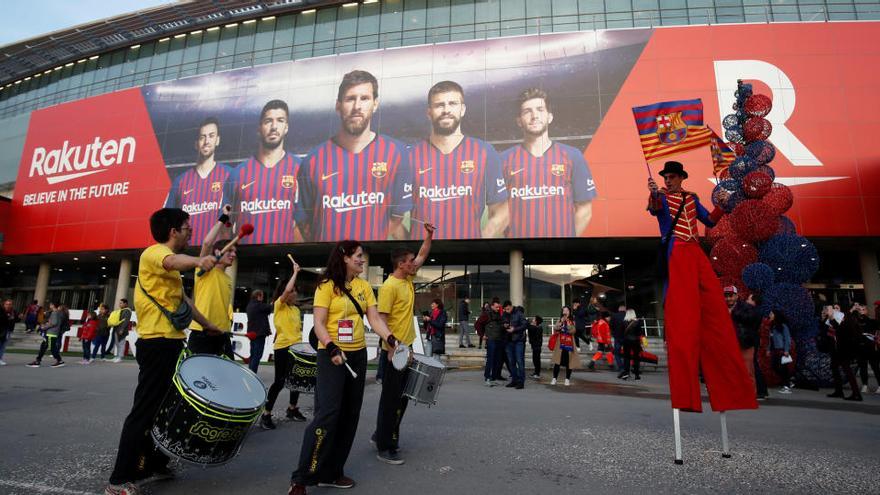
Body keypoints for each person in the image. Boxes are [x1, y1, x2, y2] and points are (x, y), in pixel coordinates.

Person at [105, 208, 221, 495]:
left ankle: (152, 464)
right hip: (156, 343)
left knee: (162, 409)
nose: (190, 231)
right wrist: (199, 259)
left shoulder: (170, 273)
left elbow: (186, 302)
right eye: (186, 227)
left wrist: (209, 326)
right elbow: (173, 261)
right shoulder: (154, 254)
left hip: (170, 342)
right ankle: (119, 480)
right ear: (173, 231)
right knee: (144, 411)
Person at [289, 240, 400, 495]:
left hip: (358, 355)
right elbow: (319, 322)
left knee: (350, 415)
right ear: (345, 258)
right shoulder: (326, 286)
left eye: (362, 256)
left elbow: (373, 318)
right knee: (327, 414)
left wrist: (392, 339)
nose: (362, 260)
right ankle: (301, 478)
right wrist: (330, 347)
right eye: (358, 256)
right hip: (332, 355)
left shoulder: (363, 287)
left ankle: (331, 472)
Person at [647, 161, 757, 413]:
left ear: (682, 178)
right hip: (676, 252)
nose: (668, 180)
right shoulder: (661, 197)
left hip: (695, 250)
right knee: (684, 312)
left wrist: (723, 204)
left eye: (673, 177)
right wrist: (653, 192)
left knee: (714, 304)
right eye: (666, 177)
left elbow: (708, 221)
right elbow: (655, 208)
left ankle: (731, 387)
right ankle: (687, 393)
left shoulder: (690, 198)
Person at [295, 70, 412, 242]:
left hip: (372, 262)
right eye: (350, 98)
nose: (357, 106)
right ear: (338, 105)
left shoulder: (397, 153)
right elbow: (304, 223)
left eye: (364, 98)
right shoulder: (312, 160)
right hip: (329, 262)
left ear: (375, 104)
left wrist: (363, 244)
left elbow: (397, 216)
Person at [408, 80, 508, 239]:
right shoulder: (410, 155)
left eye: (452, 103)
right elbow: (392, 209)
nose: (446, 109)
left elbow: (502, 207)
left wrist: (480, 239)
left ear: (462, 109)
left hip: (468, 256)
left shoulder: (484, 152)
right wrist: (408, 246)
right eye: (439, 105)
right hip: (421, 258)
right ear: (429, 112)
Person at [374, 222, 434, 464]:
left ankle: (382, 434)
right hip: (393, 351)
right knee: (391, 400)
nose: (415, 263)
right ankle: (384, 446)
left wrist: (428, 235)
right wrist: (391, 350)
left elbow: (422, 254)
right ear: (401, 264)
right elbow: (382, 321)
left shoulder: (407, 279)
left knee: (403, 397)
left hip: (406, 349)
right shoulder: (389, 287)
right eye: (410, 261)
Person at [501, 87, 596, 238]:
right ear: (519, 121)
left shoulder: (572, 156)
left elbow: (584, 209)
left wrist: (566, 244)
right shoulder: (503, 160)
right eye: (527, 111)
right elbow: (496, 211)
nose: (534, 116)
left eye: (540, 109)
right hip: (518, 254)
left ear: (550, 117)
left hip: (560, 254)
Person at [234, 100, 302, 245]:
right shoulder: (238, 173)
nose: (274, 127)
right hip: (244, 258)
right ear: (260, 128)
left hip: (287, 256)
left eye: (280, 120)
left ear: (286, 127)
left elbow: (305, 223)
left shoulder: (300, 168)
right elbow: (226, 223)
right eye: (268, 121)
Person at [164, 117, 234, 245]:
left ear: (217, 140)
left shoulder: (230, 174)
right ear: (196, 144)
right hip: (184, 252)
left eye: (211, 136)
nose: (207, 141)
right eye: (202, 137)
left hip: (216, 253)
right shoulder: (180, 181)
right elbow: (168, 220)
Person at [261, 258, 308, 430]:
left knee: (297, 380)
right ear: (285, 294)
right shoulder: (278, 306)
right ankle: (266, 414)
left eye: (295, 291)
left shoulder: (295, 309)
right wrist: (295, 272)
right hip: (283, 348)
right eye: (293, 291)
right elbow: (287, 289)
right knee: (279, 382)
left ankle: (292, 408)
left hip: (296, 348)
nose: (295, 293)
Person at [188, 205, 235, 359]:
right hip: (202, 333)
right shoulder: (205, 269)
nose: (233, 254)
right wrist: (223, 217)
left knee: (227, 376)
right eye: (230, 251)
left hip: (222, 333)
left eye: (235, 252)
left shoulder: (228, 279)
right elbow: (207, 243)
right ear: (217, 252)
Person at [726, 286, 764, 398]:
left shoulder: (744, 307)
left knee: (747, 370)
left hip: (745, 343)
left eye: (731, 295)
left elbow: (755, 318)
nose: (728, 298)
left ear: (736, 296)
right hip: (730, 343)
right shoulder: (722, 307)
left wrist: (733, 313)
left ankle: (750, 396)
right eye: (726, 296)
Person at [823, 304, 861, 401]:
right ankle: (839, 391)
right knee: (834, 368)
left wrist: (831, 317)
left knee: (847, 371)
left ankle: (856, 394)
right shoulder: (836, 319)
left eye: (836, 308)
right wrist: (826, 317)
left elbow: (838, 329)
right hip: (837, 350)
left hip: (844, 349)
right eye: (833, 309)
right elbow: (827, 330)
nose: (834, 310)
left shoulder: (846, 320)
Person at [27, 302, 66, 368]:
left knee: (52, 348)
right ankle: (38, 360)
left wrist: (44, 327)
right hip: (52, 333)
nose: (50, 306)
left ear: (53, 305)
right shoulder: (59, 313)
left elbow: (54, 323)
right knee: (43, 346)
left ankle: (59, 361)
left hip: (51, 333)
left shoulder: (54, 313)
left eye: (51, 304)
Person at [550, 306, 581, 385]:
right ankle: (554, 379)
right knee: (557, 362)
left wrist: (567, 323)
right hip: (560, 343)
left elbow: (573, 331)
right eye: (564, 310)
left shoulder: (572, 321)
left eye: (567, 310)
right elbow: (556, 328)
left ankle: (567, 379)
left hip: (569, 344)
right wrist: (561, 322)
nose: (565, 311)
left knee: (569, 362)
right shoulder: (560, 319)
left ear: (569, 312)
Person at [852, 303, 879, 394]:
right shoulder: (855, 322)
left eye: (863, 310)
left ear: (867, 311)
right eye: (860, 310)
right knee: (862, 368)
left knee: (875, 367)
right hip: (860, 348)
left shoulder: (871, 321)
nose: (862, 312)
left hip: (871, 348)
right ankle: (865, 385)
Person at [246, 290, 273, 373]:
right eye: (262, 296)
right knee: (257, 355)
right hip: (259, 334)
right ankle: (252, 374)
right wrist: (272, 304)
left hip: (252, 333)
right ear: (258, 296)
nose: (263, 297)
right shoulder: (259, 305)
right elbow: (270, 308)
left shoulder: (249, 305)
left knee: (253, 354)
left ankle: (250, 373)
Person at [768, 310, 793, 395]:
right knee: (774, 366)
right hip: (774, 350)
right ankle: (788, 382)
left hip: (781, 350)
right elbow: (770, 339)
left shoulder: (783, 326)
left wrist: (786, 350)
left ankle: (786, 386)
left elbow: (787, 338)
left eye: (771, 314)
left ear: (776, 315)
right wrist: (768, 349)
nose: (769, 315)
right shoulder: (772, 326)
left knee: (783, 368)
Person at [483, 298, 505, 386]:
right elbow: (478, 324)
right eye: (496, 307)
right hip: (491, 339)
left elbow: (499, 326)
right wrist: (482, 335)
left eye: (498, 307)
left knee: (497, 359)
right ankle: (487, 378)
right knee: (490, 359)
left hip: (498, 339)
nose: (497, 308)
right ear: (492, 306)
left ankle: (494, 377)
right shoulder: (486, 314)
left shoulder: (498, 314)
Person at [505, 304, 527, 389]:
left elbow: (525, 325)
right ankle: (514, 380)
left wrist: (514, 329)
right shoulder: (505, 314)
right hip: (508, 341)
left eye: (508, 308)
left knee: (519, 361)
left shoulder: (519, 314)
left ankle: (521, 382)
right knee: (511, 362)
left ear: (510, 307)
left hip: (518, 341)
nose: (506, 310)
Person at [619, 309, 644, 380]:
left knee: (626, 357)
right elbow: (640, 333)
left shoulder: (623, 322)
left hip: (626, 341)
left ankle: (626, 373)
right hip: (636, 341)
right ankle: (636, 375)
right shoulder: (638, 322)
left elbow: (620, 333)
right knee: (636, 358)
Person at [1, 299, 20, 366]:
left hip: (8, 330)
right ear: (4, 304)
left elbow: (17, 319)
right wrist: (8, 318)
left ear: (12, 305)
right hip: (1, 330)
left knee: (3, 345)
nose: (8, 306)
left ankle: (0, 359)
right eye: (6, 304)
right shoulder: (2, 311)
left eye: (9, 304)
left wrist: (19, 317)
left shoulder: (13, 311)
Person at [609, 304, 627, 370]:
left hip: (617, 337)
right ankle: (626, 367)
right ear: (625, 310)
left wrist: (613, 333)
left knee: (617, 353)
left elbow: (610, 325)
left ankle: (621, 367)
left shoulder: (614, 315)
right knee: (626, 353)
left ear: (619, 309)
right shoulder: (628, 316)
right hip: (626, 337)